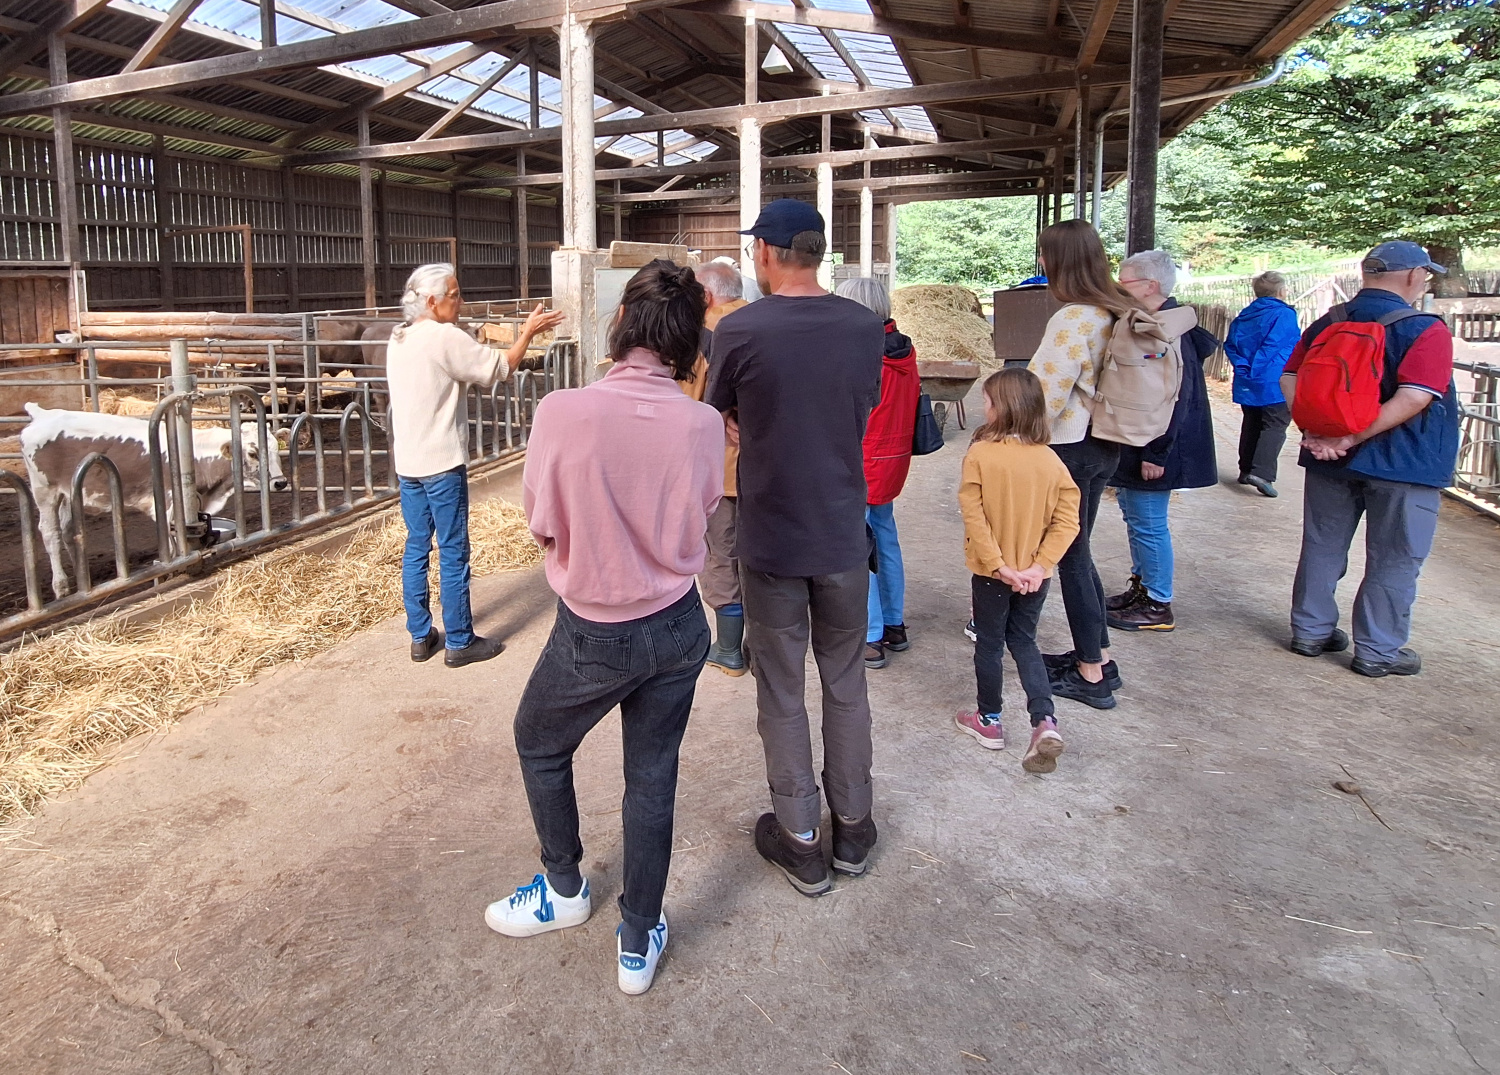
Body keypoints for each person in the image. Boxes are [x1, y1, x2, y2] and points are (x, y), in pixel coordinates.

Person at [484, 260, 723, 996]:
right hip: (680, 622)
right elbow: (703, 512)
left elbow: (540, 523)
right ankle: (637, 934)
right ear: (688, 344)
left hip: (594, 627)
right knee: (652, 775)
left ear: (620, 324)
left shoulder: (563, 410)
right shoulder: (705, 423)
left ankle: (563, 887)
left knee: (539, 738)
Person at [706, 199, 884, 897]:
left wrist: (748, 429)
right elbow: (858, 405)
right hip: (843, 529)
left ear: (770, 254)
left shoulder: (741, 328)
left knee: (780, 684)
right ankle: (855, 826)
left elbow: (716, 417)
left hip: (774, 532)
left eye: (755, 249)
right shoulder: (864, 325)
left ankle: (801, 837)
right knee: (846, 680)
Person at [1282, 241, 1459, 678]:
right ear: (1414, 276)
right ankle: (1378, 649)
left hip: (1329, 459)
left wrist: (1317, 433)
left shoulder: (1329, 322)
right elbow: (1416, 397)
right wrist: (1350, 436)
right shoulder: (1425, 329)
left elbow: (1289, 376)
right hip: (1406, 463)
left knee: (1322, 546)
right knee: (1395, 556)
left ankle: (1310, 631)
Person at [386, 262, 564, 668]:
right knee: (452, 549)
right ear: (432, 301)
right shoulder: (444, 337)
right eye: (454, 294)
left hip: (409, 462)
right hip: (441, 461)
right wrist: (527, 334)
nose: (460, 301)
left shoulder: (399, 337)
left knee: (416, 545)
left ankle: (419, 635)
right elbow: (500, 369)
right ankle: (461, 640)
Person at [1025, 220, 1134, 710]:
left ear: (1058, 261)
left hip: (1069, 446)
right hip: (1102, 444)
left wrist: (1006, 429)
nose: (1041, 264)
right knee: (1079, 551)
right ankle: (1099, 656)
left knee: (1068, 556)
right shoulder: (1118, 309)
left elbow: (1042, 394)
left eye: (1045, 255)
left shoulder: (1074, 318)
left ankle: (1091, 673)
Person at [955, 368, 1080, 773]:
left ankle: (989, 721)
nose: (982, 406)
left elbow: (974, 517)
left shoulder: (980, 455)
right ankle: (1044, 719)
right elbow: (1068, 521)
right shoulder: (1051, 461)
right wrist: (1040, 567)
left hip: (994, 575)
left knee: (989, 644)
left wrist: (999, 566)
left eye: (987, 401)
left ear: (1001, 409)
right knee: (1024, 641)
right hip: (1033, 576)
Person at [1105, 250, 1221, 633]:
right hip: (1143, 442)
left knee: (1149, 522)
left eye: (1125, 281)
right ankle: (1142, 588)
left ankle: (1157, 602)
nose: (1118, 287)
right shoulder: (1154, 322)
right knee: (1137, 517)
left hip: (1156, 446)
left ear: (1150, 286)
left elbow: (1175, 397)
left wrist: (1157, 453)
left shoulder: (1167, 329)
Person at [834, 276, 920, 671]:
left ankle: (869, 635)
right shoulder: (904, 348)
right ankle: (894, 621)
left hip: (862, 457)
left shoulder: (859, 351)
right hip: (893, 457)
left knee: (857, 545)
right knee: (886, 537)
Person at [680, 260, 751, 675]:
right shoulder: (765, 323)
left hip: (721, 472)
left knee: (720, 554)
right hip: (770, 468)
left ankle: (727, 649)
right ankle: (762, 643)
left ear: (705, 296)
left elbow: (686, 405)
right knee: (757, 554)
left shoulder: (703, 336)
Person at [1226, 271, 1302, 497]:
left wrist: (1243, 369)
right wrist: (1258, 370)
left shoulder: (1245, 315)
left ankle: (1246, 468)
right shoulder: (1284, 315)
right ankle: (1262, 472)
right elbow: (1274, 345)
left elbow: (1231, 344)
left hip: (1247, 381)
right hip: (1274, 380)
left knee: (1252, 422)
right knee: (1275, 424)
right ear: (1281, 291)